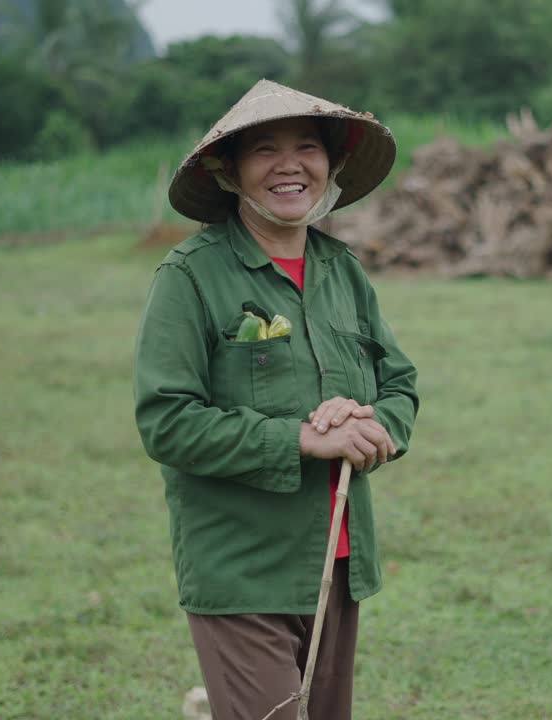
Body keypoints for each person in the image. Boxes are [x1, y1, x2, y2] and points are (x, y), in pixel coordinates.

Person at [132, 80, 419, 720]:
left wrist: (372, 425)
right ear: (227, 171)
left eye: (307, 147)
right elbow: (167, 422)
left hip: (337, 560)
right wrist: (301, 437)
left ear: (333, 163)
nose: (289, 165)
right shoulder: (189, 277)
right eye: (264, 149)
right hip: (242, 568)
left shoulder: (343, 271)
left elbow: (400, 386)